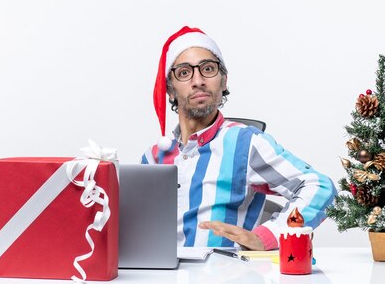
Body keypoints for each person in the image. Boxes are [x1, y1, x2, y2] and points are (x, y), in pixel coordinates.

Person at [141, 26, 336, 250]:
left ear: (223, 81)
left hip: (226, 275)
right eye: (184, 73)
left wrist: (268, 236)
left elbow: (320, 187)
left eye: (208, 69)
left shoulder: (245, 143)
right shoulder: (153, 158)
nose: (198, 81)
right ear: (170, 90)